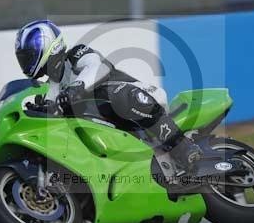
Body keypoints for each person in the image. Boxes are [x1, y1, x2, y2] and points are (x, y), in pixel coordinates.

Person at [14, 20, 203, 175]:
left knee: (115, 95)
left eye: (28, 55)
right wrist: (38, 109)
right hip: (114, 126)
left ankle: (183, 147)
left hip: (136, 96)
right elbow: (51, 107)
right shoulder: (53, 85)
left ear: (47, 46)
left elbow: (97, 67)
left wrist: (76, 88)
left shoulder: (76, 54)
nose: (26, 61)